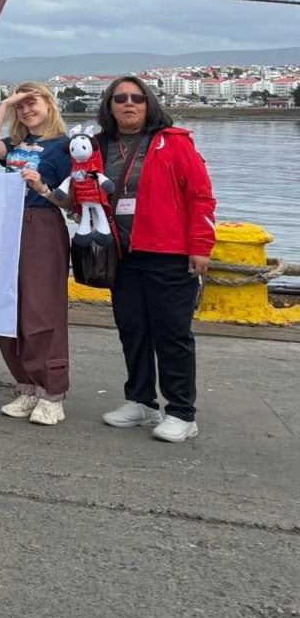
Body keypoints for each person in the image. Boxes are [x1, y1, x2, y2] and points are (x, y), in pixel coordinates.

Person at [83, 77, 214, 443]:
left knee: (172, 334)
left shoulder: (174, 143)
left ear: (148, 103)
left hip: (167, 253)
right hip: (121, 254)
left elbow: (201, 196)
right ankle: (141, 401)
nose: (129, 103)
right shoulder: (98, 146)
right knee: (133, 331)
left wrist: (200, 246)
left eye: (137, 98)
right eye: (120, 98)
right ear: (109, 106)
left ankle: (182, 412)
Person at [0, 81, 72, 426]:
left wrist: (43, 188)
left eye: (33, 103)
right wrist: (5, 103)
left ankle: (52, 392)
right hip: (9, 225)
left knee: (42, 310)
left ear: (50, 104)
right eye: (22, 106)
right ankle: (27, 385)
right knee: (8, 307)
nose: (27, 110)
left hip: (41, 222)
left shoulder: (64, 147)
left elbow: (70, 201)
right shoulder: (16, 144)